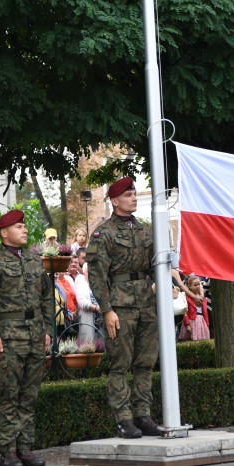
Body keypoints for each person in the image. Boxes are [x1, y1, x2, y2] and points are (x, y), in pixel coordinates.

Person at [0, 209, 53, 466]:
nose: (25, 230)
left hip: (35, 336)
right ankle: (8, 452)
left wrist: (48, 328)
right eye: (19, 227)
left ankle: (25, 448)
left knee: (29, 395)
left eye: (24, 226)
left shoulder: (34, 260)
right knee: (9, 395)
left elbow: (47, 297)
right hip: (8, 338)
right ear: (4, 233)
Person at [86, 177, 160, 439]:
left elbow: (154, 266)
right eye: (128, 195)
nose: (134, 197)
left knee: (146, 362)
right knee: (120, 364)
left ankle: (143, 415)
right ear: (114, 201)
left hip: (146, 303)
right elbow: (96, 275)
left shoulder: (145, 230)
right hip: (120, 306)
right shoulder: (103, 232)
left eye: (135, 193)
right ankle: (124, 419)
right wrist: (107, 310)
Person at [179, 275, 210, 340]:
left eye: (198, 284)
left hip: (201, 320)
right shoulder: (186, 297)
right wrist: (187, 324)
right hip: (192, 321)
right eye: (195, 285)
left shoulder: (202, 297)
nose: (197, 286)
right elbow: (185, 312)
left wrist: (207, 323)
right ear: (189, 286)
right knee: (192, 339)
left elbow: (205, 311)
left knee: (201, 339)